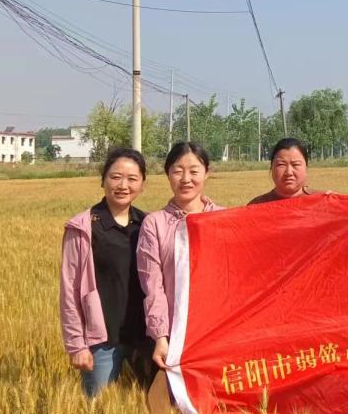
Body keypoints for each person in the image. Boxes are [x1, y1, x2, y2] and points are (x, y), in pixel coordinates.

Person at [59, 147, 156, 400]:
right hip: (103, 340)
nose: (123, 185)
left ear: (143, 184)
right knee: (97, 411)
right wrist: (76, 345)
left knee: (156, 409)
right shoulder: (83, 228)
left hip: (146, 337)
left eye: (132, 178)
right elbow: (70, 290)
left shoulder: (149, 225)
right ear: (103, 180)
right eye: (115, 177)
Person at [137, 142, 225, 376]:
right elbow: (153, 287)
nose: (186, 179)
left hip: (218, 332)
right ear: (168, 174)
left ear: (207, 173)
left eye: (194, 171)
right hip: (176, 335)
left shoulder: (225, 219)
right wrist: (161, 337)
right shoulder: (154, 224)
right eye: (177, 171)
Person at [247, 137, 317, 204]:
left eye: (295, 164)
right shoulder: (256, 206)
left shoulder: (320, 202)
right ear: (271, 168)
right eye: (281, 164)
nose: (289, 172)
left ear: (306, 168)